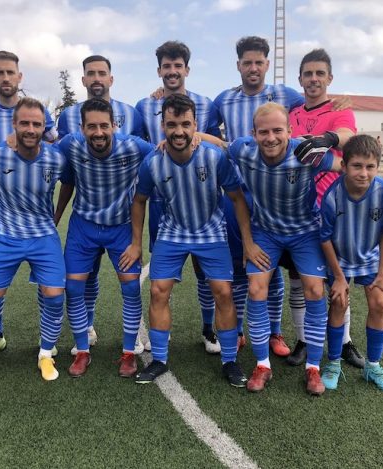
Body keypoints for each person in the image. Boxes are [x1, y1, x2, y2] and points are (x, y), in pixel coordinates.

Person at [125, 94, 256, 388]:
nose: (179, 131)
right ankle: (159, 359)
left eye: (185, 124)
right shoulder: (153, 162)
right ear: (163, 126)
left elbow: (237, 198)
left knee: (224, 292)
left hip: (210, 231)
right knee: (158, 291)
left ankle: (230, 360)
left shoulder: (214, 157)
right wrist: (135, 243)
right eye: (172, 124)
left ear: (195, 125)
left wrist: (247, 242)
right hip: (172, 231)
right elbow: (139, 200)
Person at [230, 102, 342, 394]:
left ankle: (313, 368)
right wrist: (194, 136)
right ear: (253, 133)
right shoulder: (243, 150)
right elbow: (217, 144)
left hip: (305, 232)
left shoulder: (306, 153)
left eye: (278, 130)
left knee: (315, 290)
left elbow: (345, 166)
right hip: (265, 232)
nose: (271, 138)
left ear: (290, 131)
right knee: (256, 289)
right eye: (263, 132)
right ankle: (262, 365)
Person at [213, 36, 306, 356]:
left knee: (272, 266)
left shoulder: (286, 94)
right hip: (236, 195)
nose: (253, 68)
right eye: (247, 63)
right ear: (238, 65)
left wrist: (339, 104)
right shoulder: (224, 99)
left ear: (267, 64)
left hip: (273, 197)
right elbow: (205, 129)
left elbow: (315, 103)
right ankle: (240, 329)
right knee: (242, 265)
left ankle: (274, 333)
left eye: (258, 62)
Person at [0, 98, 67, 384]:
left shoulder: (57, 158)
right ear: (14, 125)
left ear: (44, 127)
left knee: (55, 297)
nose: (30, 129)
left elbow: (75, 171)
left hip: (43, 236)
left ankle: (46, 354)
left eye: (36, 124)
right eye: (25, 123)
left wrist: (58, 214)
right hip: (5, 236)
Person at [53, 98, 154, 377]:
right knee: (73, 288)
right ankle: (82, 350)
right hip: (83, 228)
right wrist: (13, 140)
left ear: (114, 126)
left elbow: (165, 150)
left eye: (104, 126)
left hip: (121, 228)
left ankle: (128, 353)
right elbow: (40, 151)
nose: (98, 132)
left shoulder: (133, 147)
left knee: (131, 289)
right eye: (92, 127)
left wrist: (199, 137)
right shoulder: (70, 144)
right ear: (82, 129)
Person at [0, 51, 57, 357]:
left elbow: (54, 145)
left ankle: (47, 341)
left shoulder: (40, 113)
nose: (6, 78)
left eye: (10, 72)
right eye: (0, 72)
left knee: (47, 282)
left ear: (20, 76)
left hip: (36, 213)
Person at [136, 41, 224, 354]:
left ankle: (208, 328)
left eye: (177, 66)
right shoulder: (145, 106)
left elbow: (218, 144)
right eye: (167, 66)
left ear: (187, 69)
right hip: (162, 200)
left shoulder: (205, 104)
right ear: (159, 70)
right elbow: (141, 146)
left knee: (204, 270)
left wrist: (196, 135)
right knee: (163, 275)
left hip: (201, 200)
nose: (172, 71)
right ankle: (163, 331)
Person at [285, 48, 361, 369]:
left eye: (319, 73)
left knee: (338, 278)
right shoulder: (291, 112)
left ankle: (344, 341)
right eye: (308, 73)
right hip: (297, 212)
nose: (313, 79)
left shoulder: (340, 110)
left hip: (332, 209)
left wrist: (326, 138)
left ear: (330, 78)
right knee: (299, 278)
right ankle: (303, 340)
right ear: (300, 79)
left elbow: (347, 137)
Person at [318, 134, 383, 393]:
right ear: (344, 166)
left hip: (370, 257)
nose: (364, 173)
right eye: (357, 166)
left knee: (379, 302)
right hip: (339, 258)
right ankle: (333, 363)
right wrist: (340, 278)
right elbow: (325, 239)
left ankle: (373, 366)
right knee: (339, 302)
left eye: (370, 167)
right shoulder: (332, 195)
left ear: (378, 167)